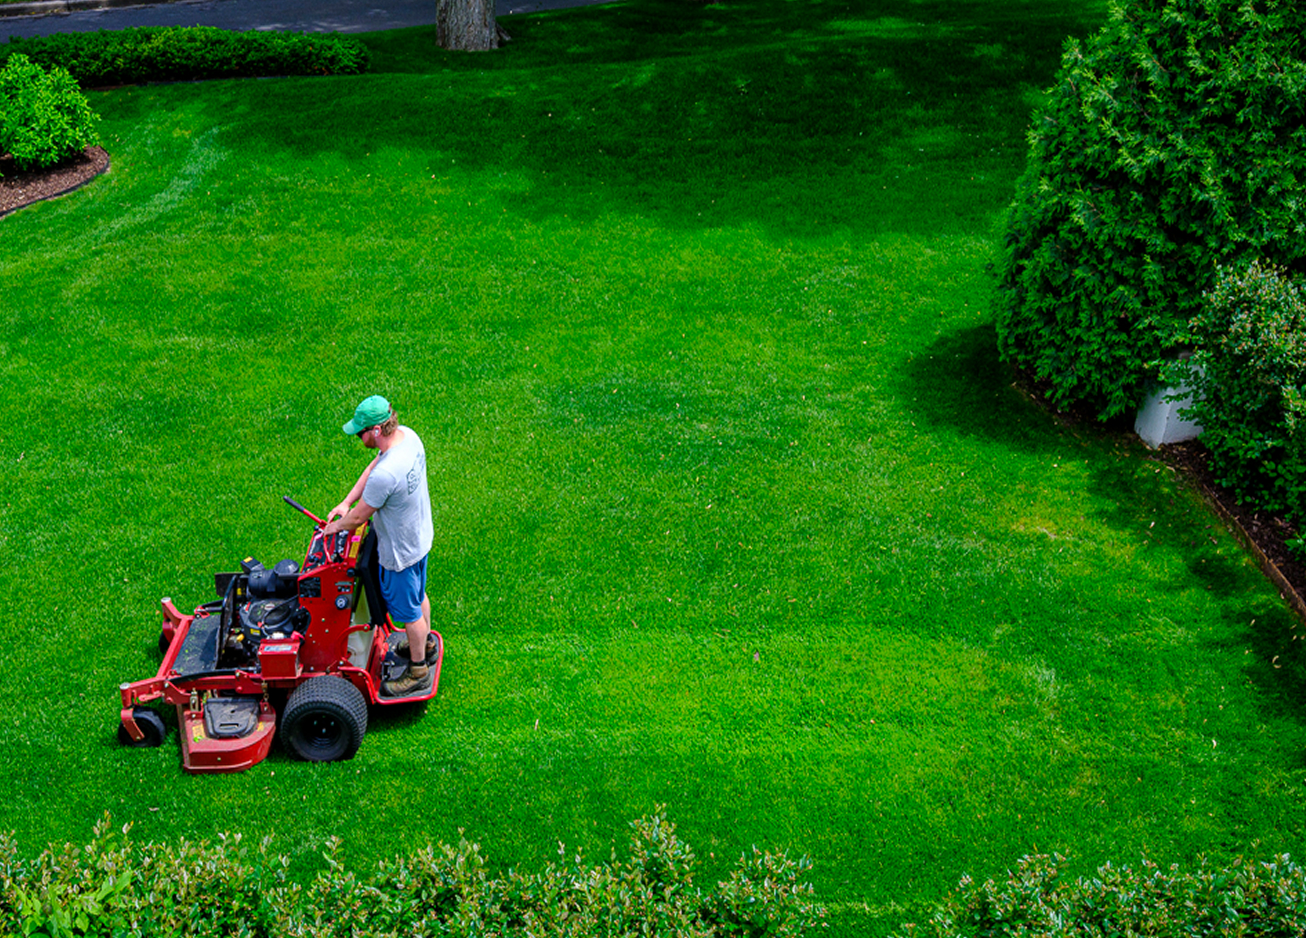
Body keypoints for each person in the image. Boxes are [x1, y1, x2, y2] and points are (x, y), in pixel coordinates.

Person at [322, 394, 436, 697]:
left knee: (407, 611)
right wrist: (345, 502)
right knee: (418, 594)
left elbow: (360, 516)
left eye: (360, 432)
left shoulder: (387, 475)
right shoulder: (408, 437)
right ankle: (425, 645)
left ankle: (418, 670)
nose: (358, 437)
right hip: (420, 536)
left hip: (400, 551)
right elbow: (373, 469)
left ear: (375, 430)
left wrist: (331, 528)